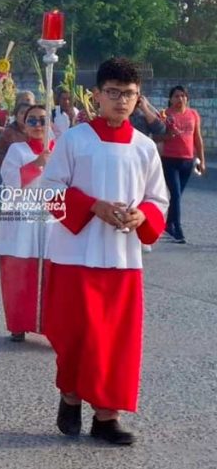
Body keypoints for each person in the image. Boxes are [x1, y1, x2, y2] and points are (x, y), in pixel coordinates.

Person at [41, 58, 169, 445]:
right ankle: (70, 393)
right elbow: (50, 191)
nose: (121, 100)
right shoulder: (75, 140)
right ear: (96, 96)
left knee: (116, 341)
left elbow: (158, 200)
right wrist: (94, 207)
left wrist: (139, 217)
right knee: (75, 336)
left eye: (128, 94)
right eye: (112, 93)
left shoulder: (145, 147)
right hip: (74, 255)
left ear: (137, 98)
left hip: (122, 259)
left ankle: (106, 416)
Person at [0, 105, 54, 342]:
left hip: (50, 218)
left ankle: (51, 325)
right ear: (24, 124)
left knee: (51, 274)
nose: (38, 126)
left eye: (43, 120)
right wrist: (37, 163)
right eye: (32, 121)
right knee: (20, 273)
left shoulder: (60, 149)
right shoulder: (17, 150)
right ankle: (18, 323)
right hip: (21, 218)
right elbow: (10, 183)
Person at [160, 86, 205, 244]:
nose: (180, 99)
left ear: (187, 98)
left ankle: (167, 225)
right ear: (170, 99)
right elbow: (157, 136)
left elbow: (197, 138)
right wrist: (167, 135)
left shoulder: (193, 114)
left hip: (188, 160)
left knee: (177, 197)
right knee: (176, 195)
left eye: (183, 96)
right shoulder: (165, 114)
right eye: (176, 96)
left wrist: (201, 160)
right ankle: (177, 229)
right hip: (169, 160)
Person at [0, 102, 31, 170]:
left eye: (28, 113)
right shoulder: (8, 133)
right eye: (22, 113)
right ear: (16, 116)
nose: (25, 116)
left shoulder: (37, 132)